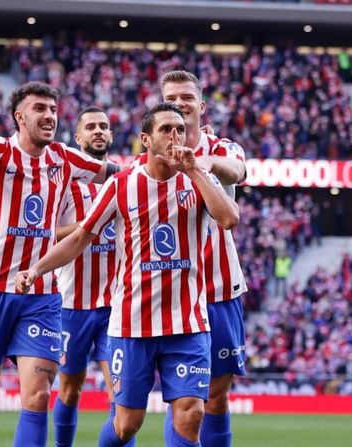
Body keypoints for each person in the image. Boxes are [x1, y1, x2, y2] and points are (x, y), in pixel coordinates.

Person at [16, 103, 239, 447]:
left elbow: (229, 219)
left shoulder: (197, 179)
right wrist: (36, 268)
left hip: (188, 323)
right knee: (126, 425)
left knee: (192, 413)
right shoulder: (122, 185)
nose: (175, 136)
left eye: (180, 129)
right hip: (133, 324)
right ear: (146, 139)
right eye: (166, 129)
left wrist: (195, 170)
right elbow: (80, 238)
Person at [0, 81, 119, 447]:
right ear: (19, 117)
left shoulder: (64, 158)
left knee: (38, 396)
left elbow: (116, 172)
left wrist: (165, 163)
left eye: (53, 110)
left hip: (42, 296)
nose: (49, 116)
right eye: (39, 108)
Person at [159, 70, 248, 447]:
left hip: (220, 290)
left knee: (216, 396)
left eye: (187, 97)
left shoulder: (223, 148)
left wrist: (203, 163)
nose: (180, 104)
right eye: (171, 98)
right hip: (173, 295)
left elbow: (238, 171)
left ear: (202, 106)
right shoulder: (152, 160)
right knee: (183, 398)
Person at [52, 107, 134, 447]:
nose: (98, 131)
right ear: (78, 137)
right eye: (91, 127)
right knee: (70, 390)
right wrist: (88, 226)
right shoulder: (65, 183)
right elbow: (47, 232)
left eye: (103, 126)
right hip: (73, 306)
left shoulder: (127, 182)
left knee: (121, 396)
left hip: (116, 307)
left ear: (111, 135)